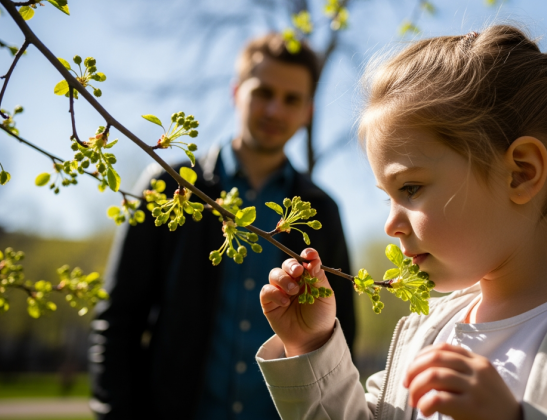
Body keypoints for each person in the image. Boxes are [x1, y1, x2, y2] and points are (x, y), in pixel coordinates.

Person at [256, 25, 547, 420]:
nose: (391, 225)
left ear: (521, 172)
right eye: (387, 198)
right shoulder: (425, 331)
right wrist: (313, 347)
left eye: (412, 189)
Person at [89, 33, 356, 420]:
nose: (274, 110)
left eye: (291, 99)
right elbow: (118, 320)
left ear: (308, 111)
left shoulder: (321, 210)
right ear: (236, 93)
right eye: (262, 92)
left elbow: (339, 336)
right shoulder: (170, 186)